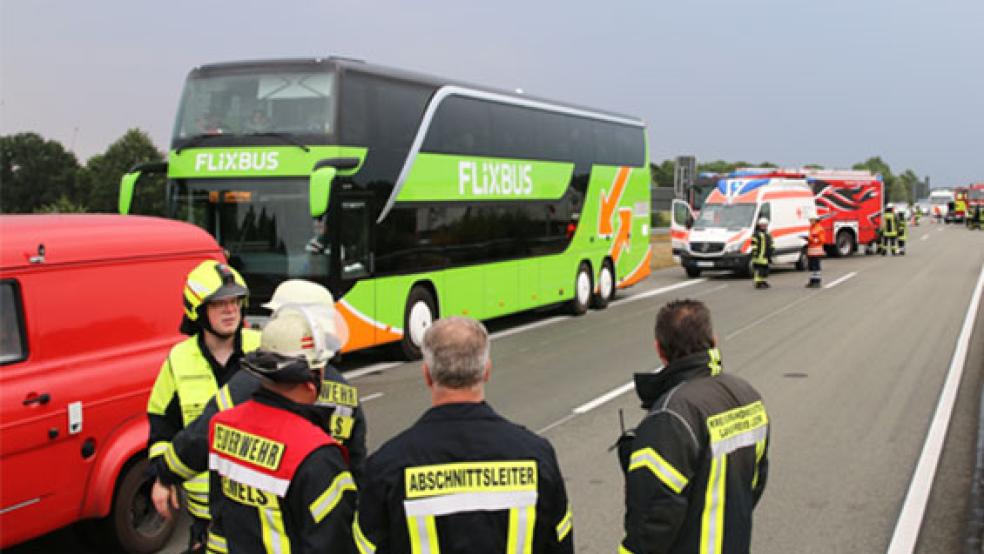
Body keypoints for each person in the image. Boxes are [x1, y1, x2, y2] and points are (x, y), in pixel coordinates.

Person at [149, 280, 367, 519]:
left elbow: (201, 436)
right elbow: (356, 466)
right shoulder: (346, 392)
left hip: (254, 519)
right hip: (320, 515)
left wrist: (165, 474)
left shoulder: (248, 383)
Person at [355, 317, 574, 554]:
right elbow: (560, 544)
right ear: (486, 371)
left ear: (427, 375)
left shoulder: (386, 466)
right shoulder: (536, 456)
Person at [617, 299, 770, 554]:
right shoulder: (749, 396)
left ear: (659, 349)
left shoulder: (670, 415)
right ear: (714, 340)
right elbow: (754, 482)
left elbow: (654, 517)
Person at [206, 306, 357, 553]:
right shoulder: (317, 456)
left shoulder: (222, 426)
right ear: (311, 383)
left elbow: (221, 514)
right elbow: (333, 542)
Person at [146, 260, 261, 552]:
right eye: (219, 303)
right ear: (198, 310)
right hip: (205, 515)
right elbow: (162, 429)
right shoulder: (179, 360)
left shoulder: (262, 350)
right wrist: (161, 478)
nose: (230, 310)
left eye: (235, 301)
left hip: (258, 508)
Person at [749, 217, 773, 289]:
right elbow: (754, 244)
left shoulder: (767, 234)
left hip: (765, 255)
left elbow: (771, 243)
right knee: (759, 269)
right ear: (759, 225)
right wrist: (755, 253)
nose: (764, 226)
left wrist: (772, 249)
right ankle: (758, 283)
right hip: (759, 255)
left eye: (765, 225)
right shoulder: (756, 234)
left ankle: (761, 281)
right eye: (762, 225)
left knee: (764, 269)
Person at [805, 214, 825, 288]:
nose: (810, 221)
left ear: (815, 220)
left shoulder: (819, 228)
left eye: (811, 220)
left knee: (816, 266)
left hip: (817, 250)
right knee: (812, 266)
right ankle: (812, 281)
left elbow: (822, 240)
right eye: (809, 220)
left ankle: (817, 281)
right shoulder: (811, 228)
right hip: (811, 250)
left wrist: (812, 240)